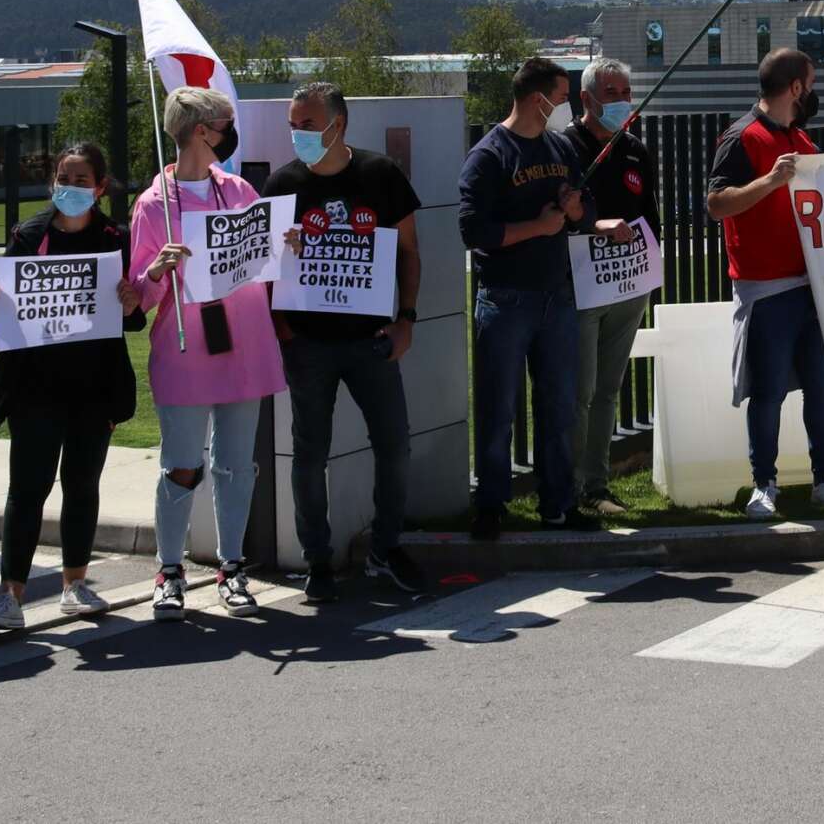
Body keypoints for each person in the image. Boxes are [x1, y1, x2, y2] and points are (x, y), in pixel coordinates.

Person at [266, 83, 428, 600]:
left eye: (308, 125)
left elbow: (409, 251)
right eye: (293, 124)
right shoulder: (280, 185)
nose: (298, 134)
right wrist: (286, 331)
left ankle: (385, 549)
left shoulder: (380, 176)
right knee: (309, 455)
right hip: (307, 345)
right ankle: (318, 560)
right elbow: (264, 268)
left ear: (340, 125)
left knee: (394, 446)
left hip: (372, 341)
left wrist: (406, 319)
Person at [0, 143, 143, 632]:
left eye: (82, 180)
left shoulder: (116, 237)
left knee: (82, 484)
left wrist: (130, 301)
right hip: (35, 387)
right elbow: (11, 308)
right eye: (63, 178)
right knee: (27, 488)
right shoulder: (29, 235)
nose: (70, 188)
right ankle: (10, 596)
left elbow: (132, 322)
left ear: (101, 187)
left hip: (95, 385)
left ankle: (75, 584)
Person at [130, 86, 284, 620]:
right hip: (184, 351)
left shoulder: (239, 190)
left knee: (237, 466)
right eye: (223, 124)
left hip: (245, 345)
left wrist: (283, 247)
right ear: (202, 131)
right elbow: (139, 294)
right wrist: (156, 270)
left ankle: (232, 567)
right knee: (181, 466)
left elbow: (263, 262)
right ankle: (169, 570)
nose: (228, 133)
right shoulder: (154, 206)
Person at [707, 49, 824, 521]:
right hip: (767, 290)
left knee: (821, 388)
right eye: (810, 84)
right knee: (769, 391)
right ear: (795, 88)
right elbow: (717, 204)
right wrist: (770, 182)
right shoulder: (741, 138)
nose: (813, 93)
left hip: (809, 287)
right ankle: (764, 485)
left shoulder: (802, 141)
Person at [461, 57, 593, 539]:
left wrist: (577, 210)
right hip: (505, 298)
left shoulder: (560, 147)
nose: (564, 103)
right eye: (559, 95)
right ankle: (491, 504)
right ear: (536, 97)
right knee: (497, 408)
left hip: (556, 296)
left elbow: (584, 207)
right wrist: (535, 227)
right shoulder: (489, 155)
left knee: (559, 406)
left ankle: (558, 502)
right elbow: (472, 230)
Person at [567, 58, 653, 521]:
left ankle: (597, 485)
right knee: (579, 392)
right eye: (613, 94)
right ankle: (572, 485)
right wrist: (596, 226)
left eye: (626, 92)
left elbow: (651, 217)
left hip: (628, 287)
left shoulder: (635, 150)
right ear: (587, 99)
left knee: (608, 390)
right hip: (580, 291)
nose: (622, 102)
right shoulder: (563, 149)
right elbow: (560, 214)